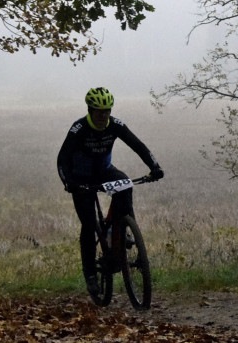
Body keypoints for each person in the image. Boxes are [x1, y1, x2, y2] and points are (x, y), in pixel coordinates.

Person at [57, 87, 164, 291]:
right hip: (80, 178)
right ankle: (90, 273)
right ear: (90, 110)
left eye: (107, 111)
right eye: (99, 112)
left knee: (125, 183)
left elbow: (138, 145)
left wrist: (154, 167)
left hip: (105, 171)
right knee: (88, 226)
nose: (103, 116)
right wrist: (68, 182)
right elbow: (62, 159)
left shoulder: (115, 125)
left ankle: (123, 227)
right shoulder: (78, 128)